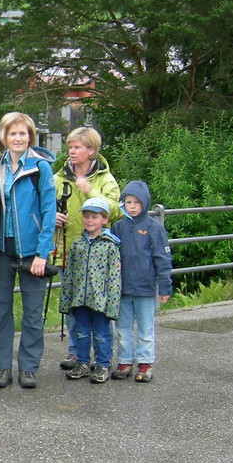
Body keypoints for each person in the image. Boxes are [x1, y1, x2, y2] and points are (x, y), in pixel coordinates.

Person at [0, 112, 57, 390]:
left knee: (31, 312)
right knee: (1, 310)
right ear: (3, 137)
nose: (17, 138)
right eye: (12, 133)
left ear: (30, 136)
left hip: (32, 252)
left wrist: (42, 253)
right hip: (2, 249)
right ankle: (2, 366)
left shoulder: (41, 167)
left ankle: (28, 368)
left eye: (22, 133)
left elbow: (49, 211)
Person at [53, 126, 120, 371]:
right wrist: (52, 216)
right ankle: (76, 354)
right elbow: (46, 204)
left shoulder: (105, 178)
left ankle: (102, 359)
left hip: (99, 255)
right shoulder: (58, 177)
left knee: (99, 309)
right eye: (70, 146)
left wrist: (89, 190)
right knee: (73, 307)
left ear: (91, 150)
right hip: (69, 251)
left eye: (77, 147)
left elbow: (115, 210)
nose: (71, 151)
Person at [111, 181, 172, 383]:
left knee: (145, 328)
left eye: (137, 202)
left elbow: (162, 259)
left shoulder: (153, 228)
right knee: (123, 328)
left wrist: (164, 287)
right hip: (122, 288)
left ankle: (145, 363)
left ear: (145, 203)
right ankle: (124, 361)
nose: (132, 206)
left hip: (145, 288)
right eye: (128, 202)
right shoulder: (118, 227)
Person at [58, 197, 122, 384]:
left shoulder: (110, 245)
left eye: (94, 216)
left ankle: (102, 364)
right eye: (86, 216)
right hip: (79, 299)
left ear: (104, 219)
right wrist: (66, 300)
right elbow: (69, 274)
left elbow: (114, 277)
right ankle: (82, 362)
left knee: (102, 334)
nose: (89, 220)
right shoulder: (78, 244)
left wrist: (112, 303)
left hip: (100, 300)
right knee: (81, 332)